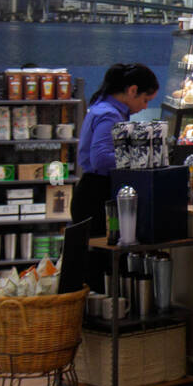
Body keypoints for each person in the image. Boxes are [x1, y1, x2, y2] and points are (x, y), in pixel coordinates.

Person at [70, 64, 159, 248]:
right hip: (96, 196)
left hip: (90, 191)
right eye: (145, 100)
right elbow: (101, 159)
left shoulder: (103, 107)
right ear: (133, 90)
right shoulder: (110, 115)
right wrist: (141, 158)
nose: (145, 107)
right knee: (100, 261)